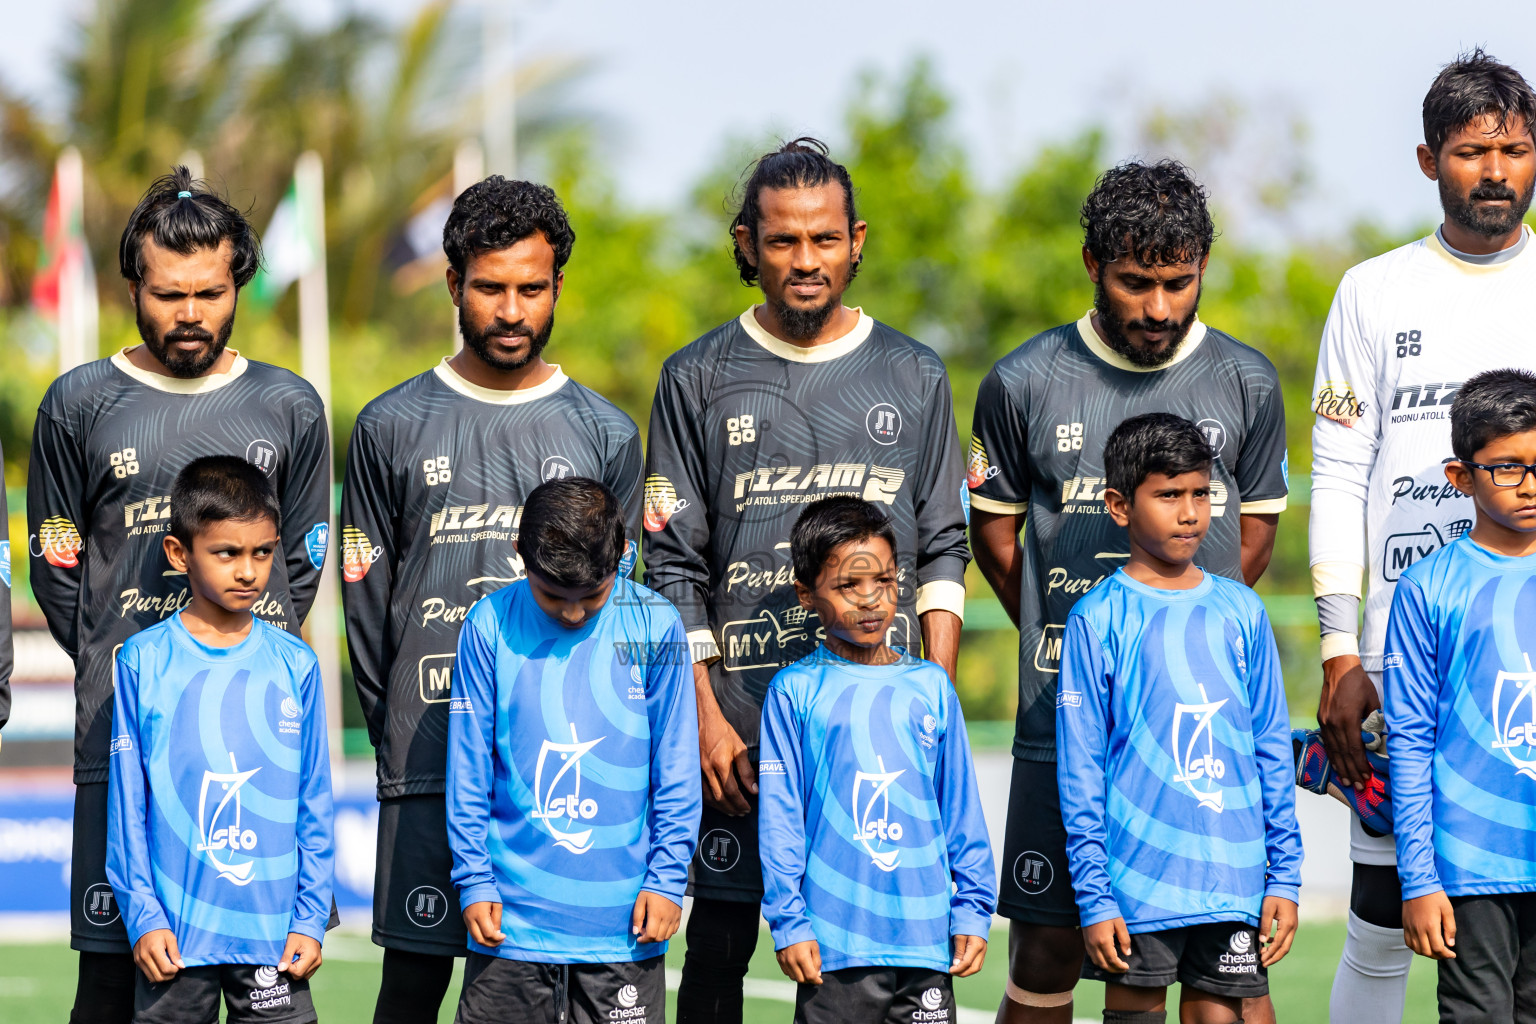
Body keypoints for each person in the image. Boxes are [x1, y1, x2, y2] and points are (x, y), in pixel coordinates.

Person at [643, 137, 971, 1023]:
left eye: (823, 240)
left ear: (856, 240)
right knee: (717, 948)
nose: (804, 261)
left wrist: (932, 687)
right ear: (748, 244)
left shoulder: (914, 372)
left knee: (873, 965)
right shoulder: (694, 377)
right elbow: (672, 561)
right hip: (739, 735)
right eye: (783, 241)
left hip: (879, 730)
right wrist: (704, 719)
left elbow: (945, 544)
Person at [967, 160, 1288, 1024]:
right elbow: (995, 538)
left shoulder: (1248, 381)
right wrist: (1067, 638)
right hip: (1061, 716)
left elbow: (1253, 537)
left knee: (1224, 968)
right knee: (1051, 945)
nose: (1157, 307)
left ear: (1202, 272)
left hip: (1197, 731)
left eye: (1178, 284)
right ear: (1090, 265)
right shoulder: (1021, 381)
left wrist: (1176, 638)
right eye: (1135, 282)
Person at [27, 167, 331, 1024]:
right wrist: (123, 662)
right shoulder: (79, 404)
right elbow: (59, 564)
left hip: (252, 750)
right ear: (134, 287)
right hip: (126, 737)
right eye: (167, 295)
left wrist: (234, 668)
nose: (189, 313)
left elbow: (302, 559)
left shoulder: (289, 405)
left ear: (239, 283)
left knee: (268, 988)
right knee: (114, 981)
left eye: (209, 292)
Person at [340, 176, 643, 1024]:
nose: (511, 311)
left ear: (556, 289)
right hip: (429, 763)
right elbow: (366, 610)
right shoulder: (390, 425)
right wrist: (403, 727)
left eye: (531, 288)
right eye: (490, 287)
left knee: (550, 995)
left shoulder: (605, 431)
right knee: (411, 986)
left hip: (563, 769)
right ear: (452, 285)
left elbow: (621, 607)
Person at [1302, 49, 1536, 1023]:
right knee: (1384, 902)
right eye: (1473, 150)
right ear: (1427, 159)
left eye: (1516, 150)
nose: (1496, 171)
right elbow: (1339, 470)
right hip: (1410, 646)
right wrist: (1338, 648)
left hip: (1521, 649)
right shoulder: (1372, 291)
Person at [1057, 414, 1301, 1024]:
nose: (1190, 512)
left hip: (1235, 879)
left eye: (1200, 493)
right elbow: (1081, 766)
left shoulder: (1241, 609)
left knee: (1224, 1014)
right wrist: (1094, 895)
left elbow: (1271, 746)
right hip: (1137, 885)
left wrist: (1285, 878)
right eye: (1168, 495)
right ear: (1119, 506)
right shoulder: (1098, 617)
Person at [445, 477, 699, 1023]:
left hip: (623, 928)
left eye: (593, 595)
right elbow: (468, 768)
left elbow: (675, 769)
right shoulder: (488, 625)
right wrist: (474, 878)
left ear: (623, 556)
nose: (574, 614)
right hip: (510, 924)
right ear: (520, 555)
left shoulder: (656, 624)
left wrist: (667, 879)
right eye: (553, 596)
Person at [106, 456, 334, 1024]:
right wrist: (144, 915)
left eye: (262, 552)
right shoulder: (142, 662)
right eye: (227, 553)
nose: (248, 571)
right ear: (179, 554)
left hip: (272, 939)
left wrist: (309, 918)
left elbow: (315, 802)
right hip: (175, 941)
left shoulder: (295, 664)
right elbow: (128, 805)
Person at [758, 496, 995, 1023]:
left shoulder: (931, 686)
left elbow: (961, 809)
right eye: (848, 585)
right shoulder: (793, 692)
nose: (870, 600)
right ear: (806, 593)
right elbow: (780, 824)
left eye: (884, 582)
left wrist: (974, 909)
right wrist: (790, 923)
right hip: (834, 947)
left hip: (926, 941)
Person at [1384, 369, 1536, 1022]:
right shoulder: (1426, 589)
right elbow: (1410, 739)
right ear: (1460, 477)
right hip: (1473, 871)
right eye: (1507, 467)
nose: (1530, 483)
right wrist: (1419, 879)